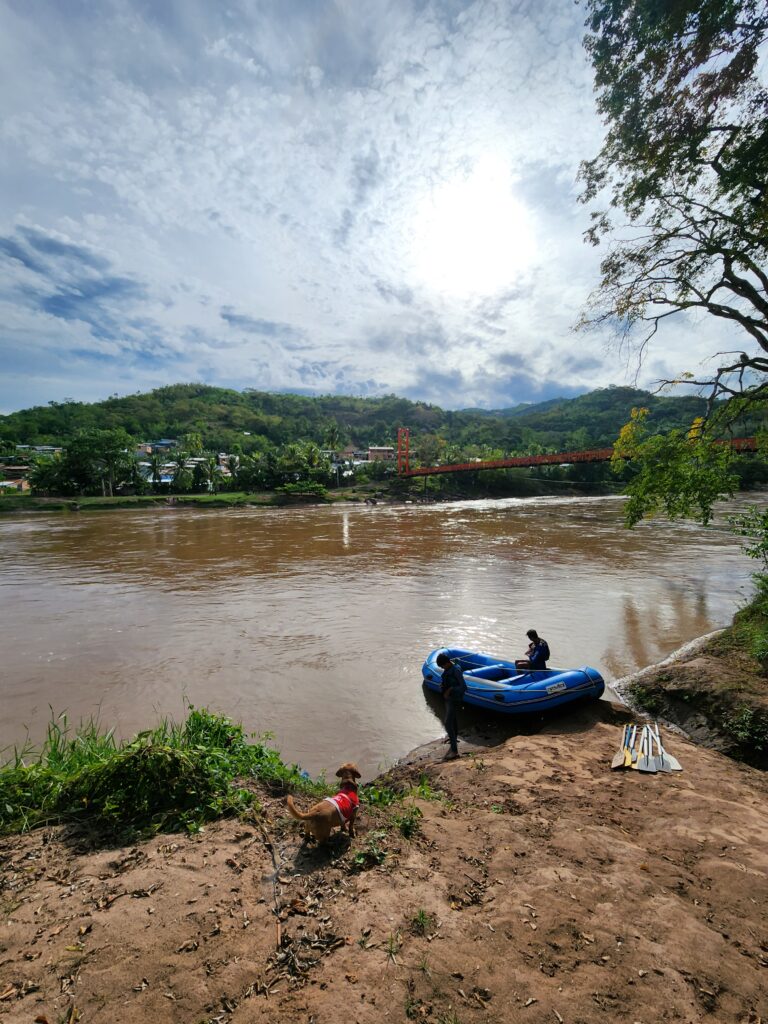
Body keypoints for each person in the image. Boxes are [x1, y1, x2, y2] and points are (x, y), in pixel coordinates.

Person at [436, 652, 466, 760]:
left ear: (448, 663)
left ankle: (454, 751)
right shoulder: (449, 668)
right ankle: (454, 738)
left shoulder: (456, 671)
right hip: (448, 699)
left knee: (448, 723)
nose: (442, 668)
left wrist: (450, 689)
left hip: (454, 699)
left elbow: (463, 687)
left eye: (442, 665)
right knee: (453, 720)